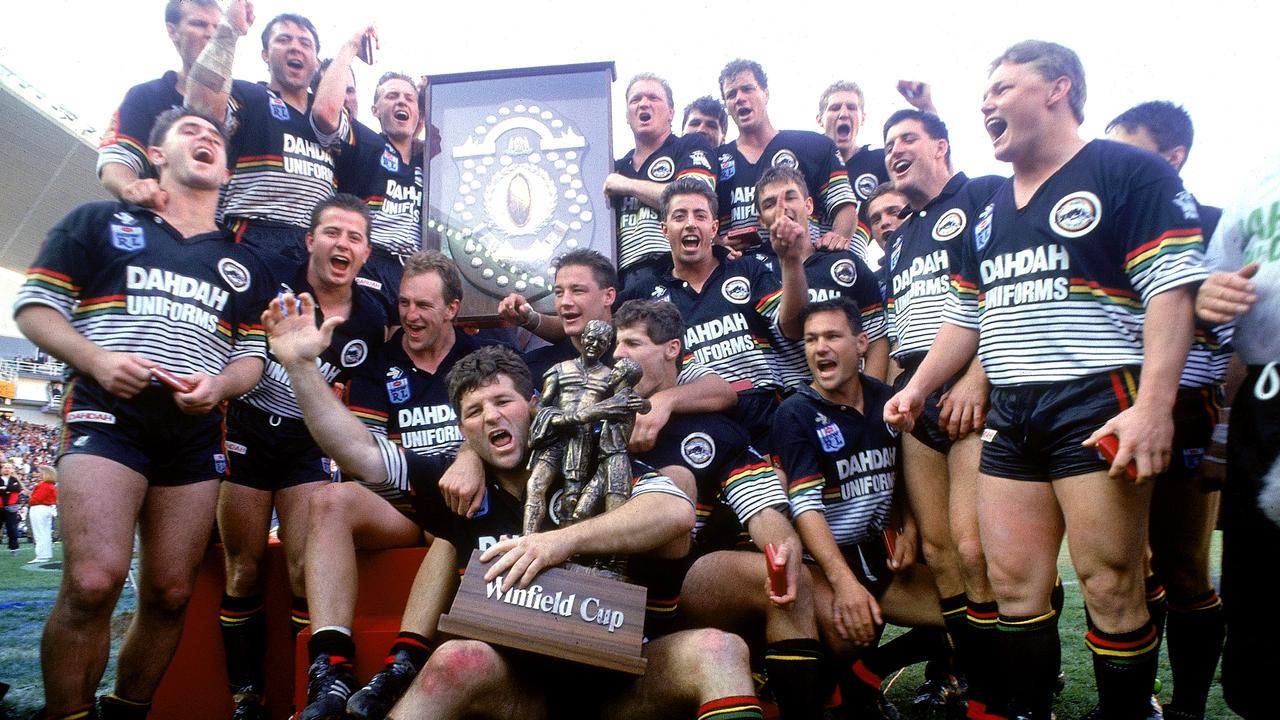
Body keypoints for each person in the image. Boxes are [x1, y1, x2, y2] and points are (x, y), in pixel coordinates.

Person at [885, 40, 1206, 719]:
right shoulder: (990, 207)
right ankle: (1026, 711)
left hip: (1097, 400)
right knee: (1011, 584)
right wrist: (916, 388)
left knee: (1111, 582)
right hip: (1013, 411)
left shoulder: (1127, 171)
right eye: (985, 90)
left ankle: (1130, 713)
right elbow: (965, 316)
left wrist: (1154, 407)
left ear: (1057, 88)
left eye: (1002, 87)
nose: (986, 101)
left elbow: (1171, 294)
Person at [263, 299, 764, 720]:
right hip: (525, 690)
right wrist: (301, 368)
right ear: (463, 431)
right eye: (474, 412)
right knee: (456, 658)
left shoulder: (586, 461)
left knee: (720, 651)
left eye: (503, 401)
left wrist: (555, 542)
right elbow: (361, 452)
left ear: (534, 403)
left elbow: (673, 512)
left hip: (627, 679)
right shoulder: (459, 493)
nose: (492, 416)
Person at [15, 107, 271, 720]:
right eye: (189, 131)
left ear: (228, 168)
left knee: (170, 592)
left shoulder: (243, 261)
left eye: (215, 137)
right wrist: (98, 361)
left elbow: (254, 357)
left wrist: (218, 387)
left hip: (194, 433)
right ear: (156, 154)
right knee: (93, 582)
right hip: (109, 414)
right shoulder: (99, 221)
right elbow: (34, 307)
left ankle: (126, 710)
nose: (205, 138)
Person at [612, 299, 827, 720]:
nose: (619, 355)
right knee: (677, 481)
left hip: (681, 590)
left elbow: (763, 509)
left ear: (671, 349)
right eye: (617, 345)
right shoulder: (595, 416)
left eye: (632, 344)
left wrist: (781, 548)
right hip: (603, 587)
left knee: (785, 569)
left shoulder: (712, 427)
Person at [216, 194, 389, 720]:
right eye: (333, 232)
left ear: (366, 253)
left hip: (306, 440)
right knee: (242, 569)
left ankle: (303, 696)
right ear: (310, 240)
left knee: (298, 570)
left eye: (355, 237)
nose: (343, 244)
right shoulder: (268, 281)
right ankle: (247, 699)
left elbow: (364, 396)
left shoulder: (372, 317)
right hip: (247, 427)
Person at [879, 108, 1006, 716]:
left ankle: (1010, 687)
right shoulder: (899, 235)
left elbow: (998, 292)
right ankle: (966, 679)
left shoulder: (983, 193)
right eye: (888, 144)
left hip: (966, 382)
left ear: (942, 147)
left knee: (974, 545)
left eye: (907, 138)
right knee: (939, 551)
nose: (894, 150)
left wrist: (978, 375)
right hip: (913, 390)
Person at [1107, 100, 1228, 720]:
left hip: (1186, 413)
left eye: (1129, 150)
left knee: (1183, 568)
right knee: (1125, 567)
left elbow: (1246, 345)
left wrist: (1222, 440)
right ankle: (1137, 703)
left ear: (1173, 157)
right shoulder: (1107, 225)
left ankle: (1188, 709)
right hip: (1112, 407)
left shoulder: (1215, 227)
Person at [773, 297, 948, 719]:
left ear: (862, 343)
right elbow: (805, 508)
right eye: (812, 339)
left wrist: (907, 526)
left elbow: (905, 471)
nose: (819, 348)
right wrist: (844, 583)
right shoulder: (795, 413)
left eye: (832, 336)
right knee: (854, 629)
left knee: (966, 610)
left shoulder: (888, 400)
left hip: (877, 555)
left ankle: (865, 676)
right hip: (824, 562)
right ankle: (834, 690)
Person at [617, 177, 810, 440]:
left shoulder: (747, 269)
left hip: (766, 415)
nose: (690, 224)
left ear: (713, 227)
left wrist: (791, 262)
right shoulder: (645, 295)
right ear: (664, 229)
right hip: (694, 422)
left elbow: (794, 326)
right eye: (679, 216)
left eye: (700, 215)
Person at [1194, 160, 1278, 720]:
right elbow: (1209, 287)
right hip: (1267, 390)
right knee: (1256, 579)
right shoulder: (1258, 184)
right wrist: (1209, 294)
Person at [185, 1, 348, 266]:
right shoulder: (249, 95)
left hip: (312, 248)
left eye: (305, 43)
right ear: (265, 54)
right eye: (284, 39)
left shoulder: (332, 120)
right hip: (250, 237)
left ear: (317, 63)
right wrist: (229, 30)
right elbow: (199, 110)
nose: (295, 47)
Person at [97, 0, 252, 208]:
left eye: (218, 26)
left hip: (222, 230)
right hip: (161, 219)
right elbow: (116, 161)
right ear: (173, 31)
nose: (211, 33)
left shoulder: (245, 99)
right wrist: (133, 187)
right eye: (199, 24)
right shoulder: (145, 96)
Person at [753, 165, 889, 383]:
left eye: (790, 197)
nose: (782, 208)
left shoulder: (845, 262)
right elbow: (793, 327)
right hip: (795, 404)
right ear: (761, 220)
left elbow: (877, 339)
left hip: (851, 402)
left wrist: (869, 406)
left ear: (808, 205)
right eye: (770, 204)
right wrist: (790, 258)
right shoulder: (755, 269)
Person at [715, 60, 859, 259]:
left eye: (747, 89)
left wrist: (836, 243)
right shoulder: (716, 160)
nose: (739, 98)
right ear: (726, 106)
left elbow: (845, 206)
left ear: (765, 94)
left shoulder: (814, 145)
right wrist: (716, 244)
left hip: (805, 271)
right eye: (731, 94)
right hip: (742, 278)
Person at [606, 73, 716, 290]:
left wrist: (627, 185)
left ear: (671, 113)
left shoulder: (689, 145)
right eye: (635, 100)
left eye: (653, 98)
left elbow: (697, 199)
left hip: (674, 270)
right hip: (625, 280)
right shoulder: (616, 167)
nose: (643, 104)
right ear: (627, 116)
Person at [816, 80, 936, 247]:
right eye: (835, 108)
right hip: (806, 263)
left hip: (853, 265)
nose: (843, 114)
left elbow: (927, 171)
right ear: (819, 119)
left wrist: (926, 108)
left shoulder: (880, 161)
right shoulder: (808, 162)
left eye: (851, 107)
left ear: (862, 117)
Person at [27, 465, 57, 563]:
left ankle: (41, 555)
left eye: (40, 472)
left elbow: (35, 499)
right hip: (45, 508)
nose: (38, 474)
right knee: (45, 532)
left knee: (39, 532)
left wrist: (30, 498)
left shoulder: (43, 485)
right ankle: (45, 554)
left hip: (39, 508)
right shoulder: (50, 485)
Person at [1, 463, 24, 556]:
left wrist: (4, 489)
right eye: (5, 467)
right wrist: (8, 490)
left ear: (12, 470)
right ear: (2, 469)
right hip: (0, 506)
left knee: (12, 529)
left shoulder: (15, 480)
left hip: (11, 508)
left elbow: (16, 489)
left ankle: (13, 548)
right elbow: (11, 489)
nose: (7, 469)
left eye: (9, 468)